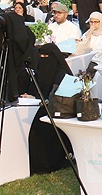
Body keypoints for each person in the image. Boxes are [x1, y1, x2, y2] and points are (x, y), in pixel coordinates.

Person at [26, 43, 74, 174]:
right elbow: (35, 88)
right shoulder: (41, 69)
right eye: (41, 56)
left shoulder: (61, 74)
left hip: (57, 110)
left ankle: (48, 163)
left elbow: (58, 98)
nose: (43, 58)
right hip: (41, 107)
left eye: (46, 56)